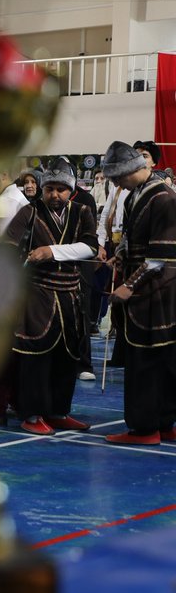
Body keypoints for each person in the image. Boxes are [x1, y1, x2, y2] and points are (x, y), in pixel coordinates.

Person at [4, 161, 96, 434]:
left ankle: (58, 411)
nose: (55, 195)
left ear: (71, 190)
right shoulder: (29, 212)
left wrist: (50, 251)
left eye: (61, 189)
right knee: (36, 356)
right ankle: (31, 415)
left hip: (70, 296)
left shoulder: (82, 212)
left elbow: (91, 247)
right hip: (36, 295)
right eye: (50, 189)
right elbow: (8, 247)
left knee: (66, 357)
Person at [102, 141, 176, 445]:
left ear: (132, 169)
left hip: (157, 290)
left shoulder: (164, 198)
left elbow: (160, 258)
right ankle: (162, 423)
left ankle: (145, 429)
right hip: (149, 287)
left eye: (118, 177)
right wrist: (120, 253)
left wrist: (128, 285)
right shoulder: (136, 196)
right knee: (157, 359)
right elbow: (134, 238)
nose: (116, 183)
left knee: (148, 361)